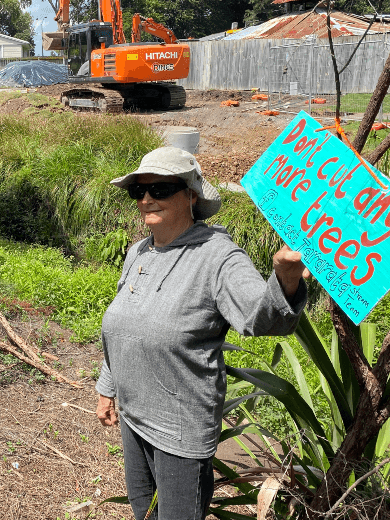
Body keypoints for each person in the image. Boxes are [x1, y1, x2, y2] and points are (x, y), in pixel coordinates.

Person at [94, 146, 310, 520]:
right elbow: (122, 326)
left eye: (160, 189)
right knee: (141, 511)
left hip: (180, 432)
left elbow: (263, 319)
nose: (147, 199)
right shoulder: (138, 253)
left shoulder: (219, 257)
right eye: (139, 191)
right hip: (133, 417)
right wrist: (106, 389)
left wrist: (286, 281)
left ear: (191, 195)